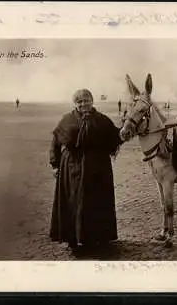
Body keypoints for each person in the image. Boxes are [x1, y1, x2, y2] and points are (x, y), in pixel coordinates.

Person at [49, 88, 124, 255]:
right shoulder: (67, 120)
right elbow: (55, 142)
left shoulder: (102, 120)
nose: (84, 104)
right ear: (75, 104)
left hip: (99, 169)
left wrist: (125, 129)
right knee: (74, 202)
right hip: (72, 169)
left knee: (97, 202)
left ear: (92, 100)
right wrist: (55, 165)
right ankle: (74, 241)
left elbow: (115, 138)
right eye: (80, 102)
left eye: (86, 100)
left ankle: (99, 240)